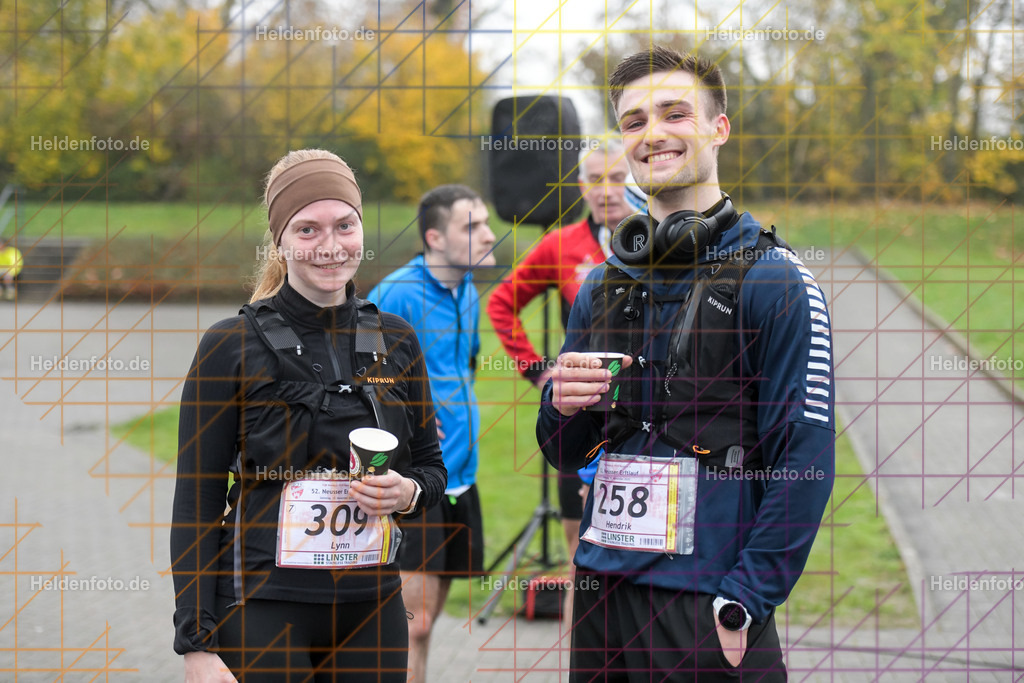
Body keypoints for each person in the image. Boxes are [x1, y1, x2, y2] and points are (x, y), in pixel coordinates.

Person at [537, 46, 836, 681]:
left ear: (718, 128)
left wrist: (747, 599)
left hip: (709, 603)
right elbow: (565, 451)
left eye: (675, 113)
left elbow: (804, 456)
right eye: (635, 121)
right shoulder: (603, 284)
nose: (653, 134)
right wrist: (559, 406)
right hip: (602, 596)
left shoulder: (775, 280)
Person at [170, 149, 447, 683]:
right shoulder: (231, 345)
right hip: (260, 603)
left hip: (372, 605)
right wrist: (196, 645)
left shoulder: (396, 340)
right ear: (280, 241)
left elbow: (431, 469)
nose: (330, 246)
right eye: (307, 230)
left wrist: (406, 492)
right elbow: (196, 500)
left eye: (345, 225)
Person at [486, 139, 633, 628]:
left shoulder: (666, 238)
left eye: (618, 178)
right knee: (581, 558)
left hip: (651, 422)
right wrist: (539, 372)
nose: (606, 191)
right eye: (595, 179)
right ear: (580, 186)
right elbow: (502, 302)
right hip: (586, 426)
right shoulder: (562, 245)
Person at [366, 184, 495, 683]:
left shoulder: (468, 291)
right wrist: (401, 418)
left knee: (428, 621)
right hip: (415, 479)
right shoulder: (397, 293)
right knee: (410, 624)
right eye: (472, 226)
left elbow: (466, 365)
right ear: (435, 238)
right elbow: (360, 373)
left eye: (485, 222)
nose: (488, 234)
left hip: (461, 476)